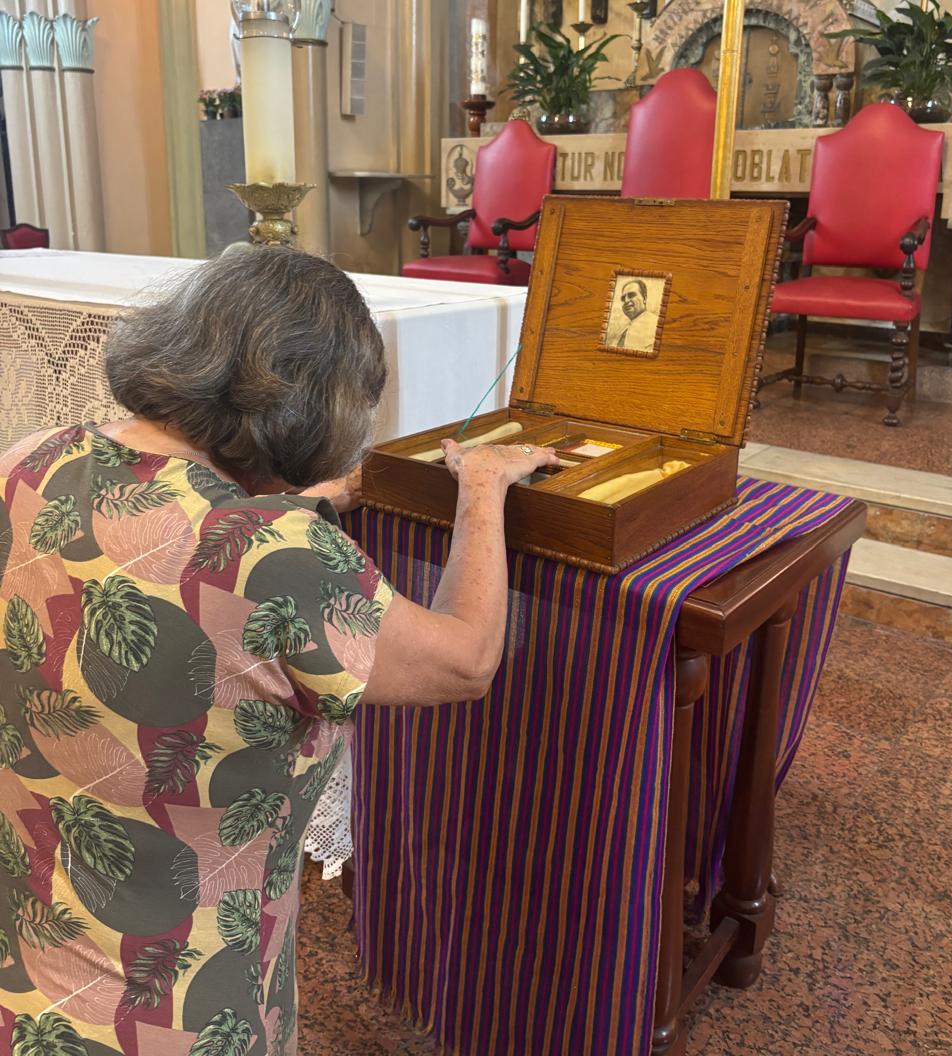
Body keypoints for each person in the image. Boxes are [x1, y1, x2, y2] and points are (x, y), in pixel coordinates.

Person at [0, 245, 556, 1056]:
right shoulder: (276, 552)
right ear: (317, 405)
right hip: (180, 1009)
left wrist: (307, 499)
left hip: (30, 968)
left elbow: (168, 534)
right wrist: (482, 488)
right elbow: (465, 659)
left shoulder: (29, 461)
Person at [609, 277, 655, 351]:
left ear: (644, 298)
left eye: (631, 295)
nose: (626, 300)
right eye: (623, 298)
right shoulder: (622, 332)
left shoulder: (655, 325)